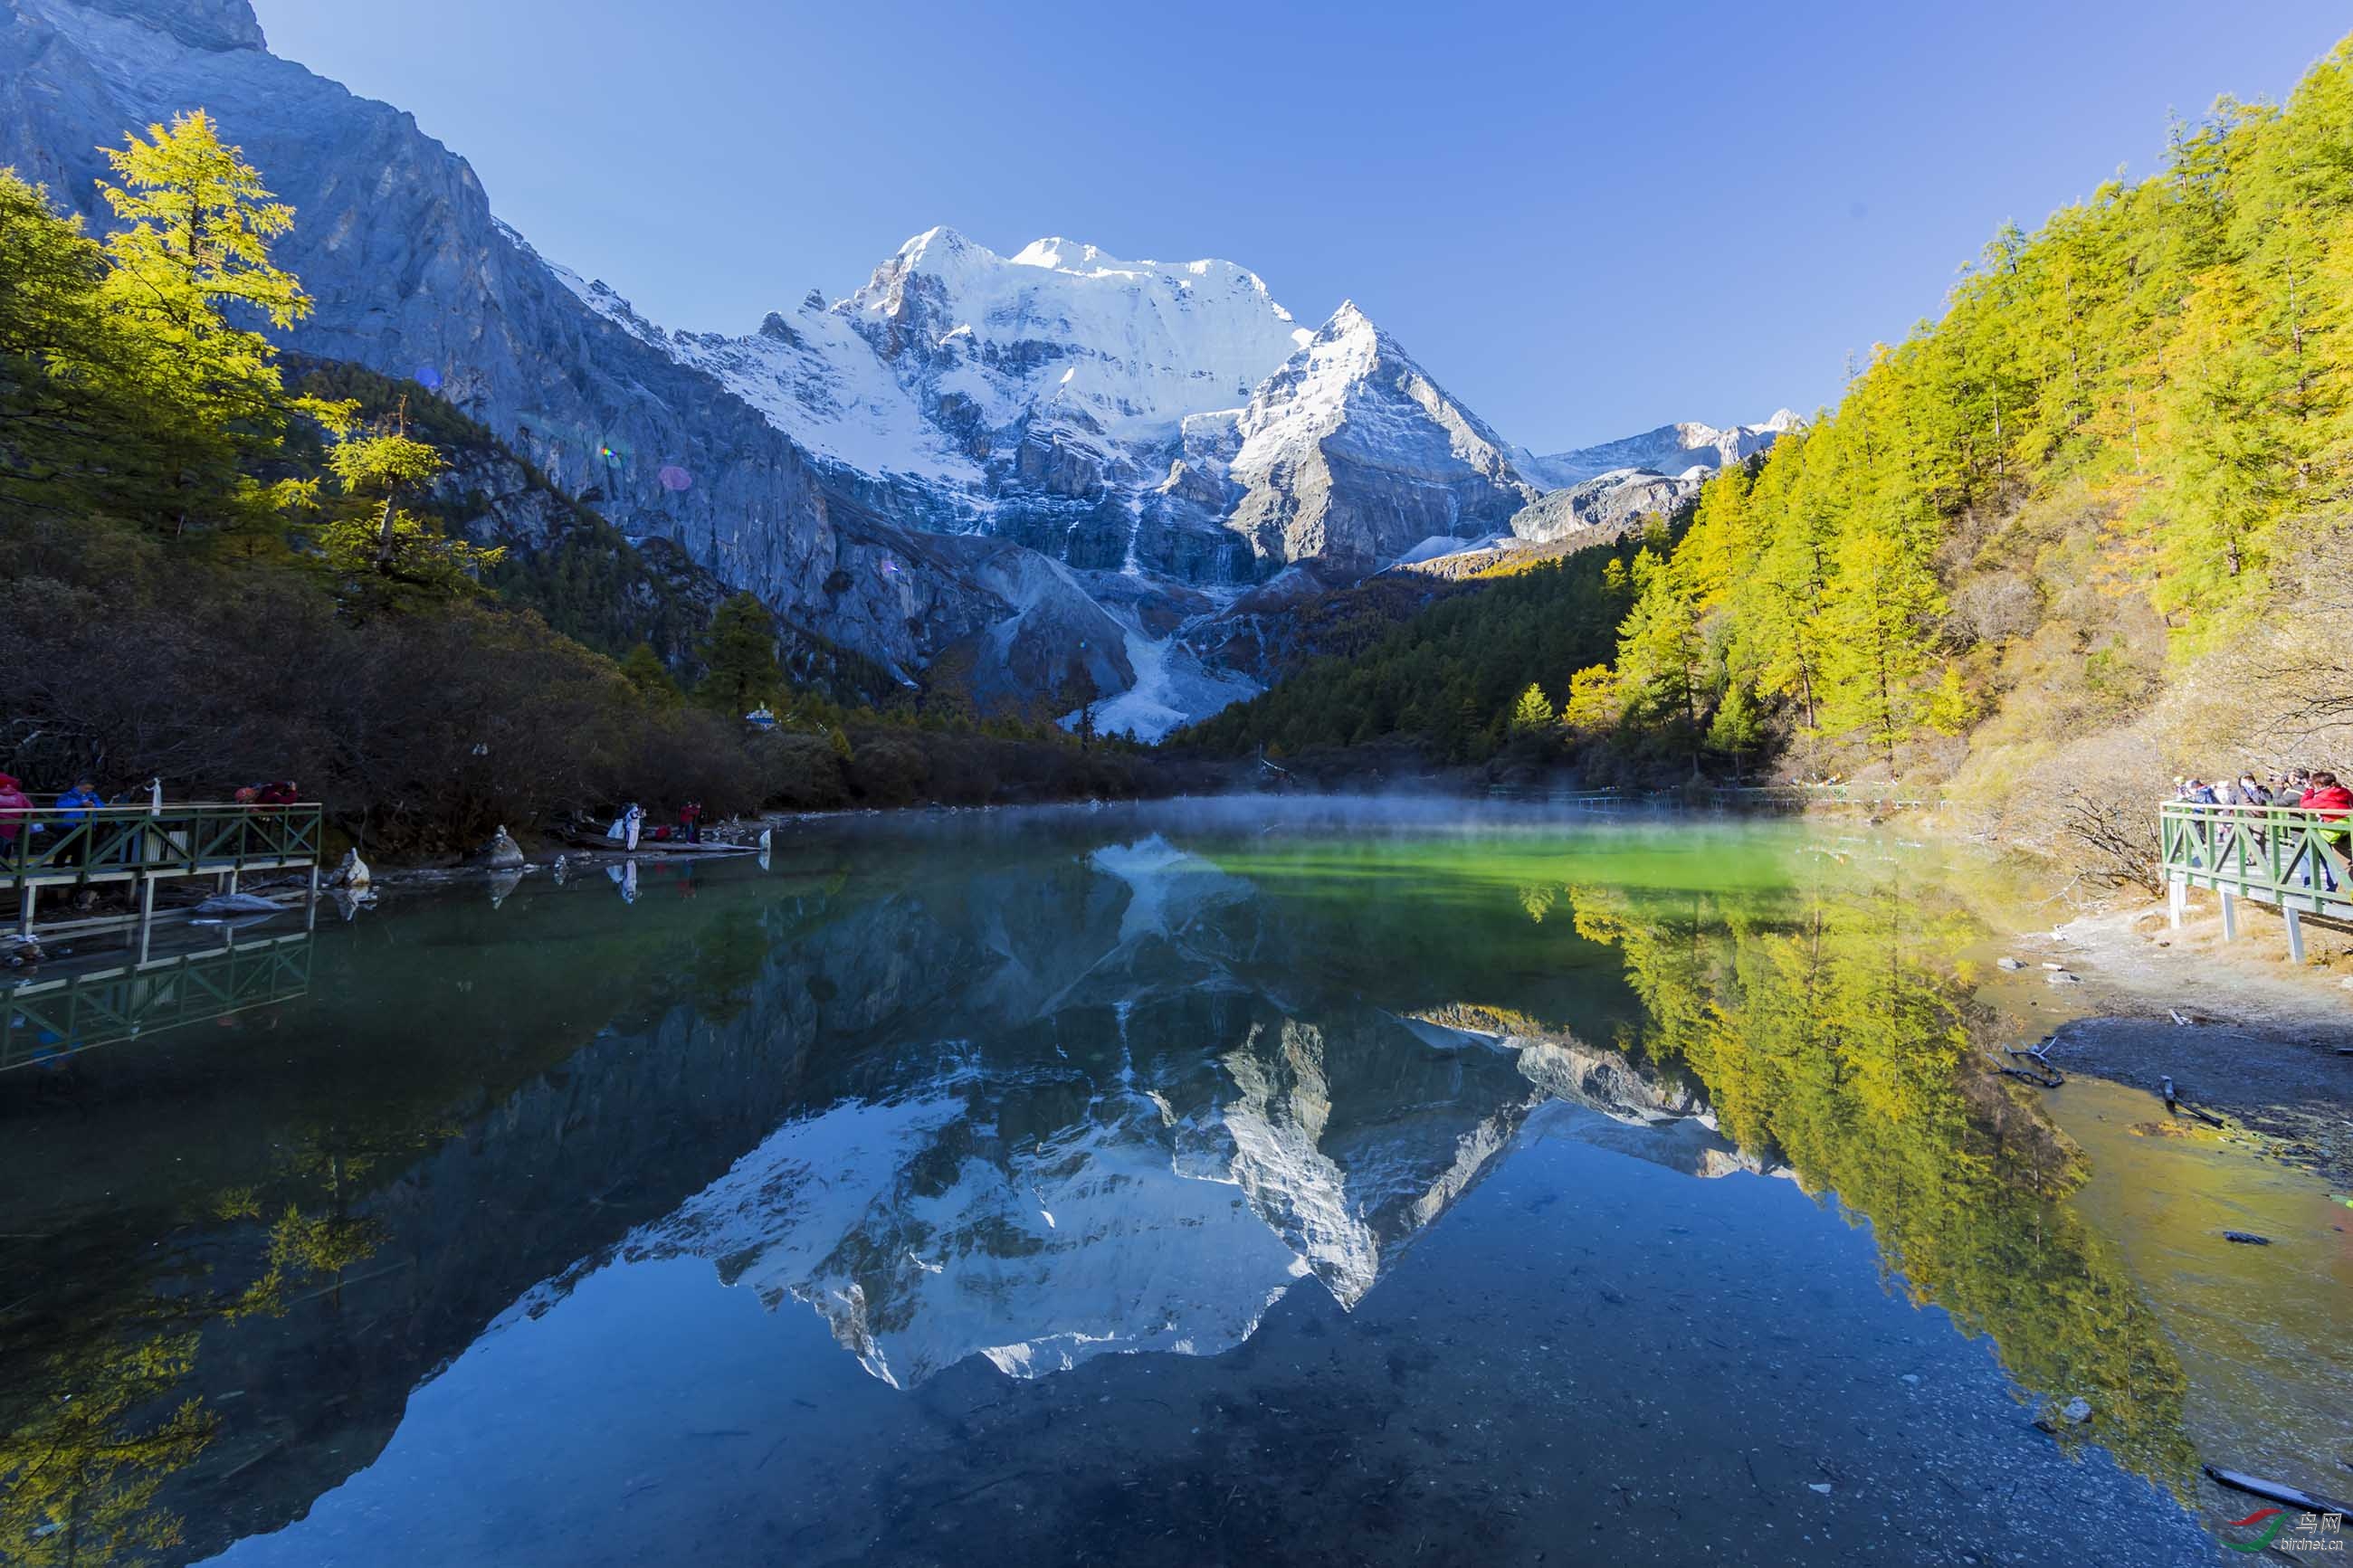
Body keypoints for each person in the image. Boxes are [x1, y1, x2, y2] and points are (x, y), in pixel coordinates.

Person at [54, 775, 106, 869]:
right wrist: (80, 803)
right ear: (80, 786)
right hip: (69, 825)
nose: (88, 790)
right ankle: (58, 867)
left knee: (81, 848)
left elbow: (101, 806)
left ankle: (77, 867)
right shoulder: (68, 795)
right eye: (86, 788)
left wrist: (94, 805)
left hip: (86, 824)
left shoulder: (93, 796)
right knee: (64, 847)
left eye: (90, 789)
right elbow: (60, 806)